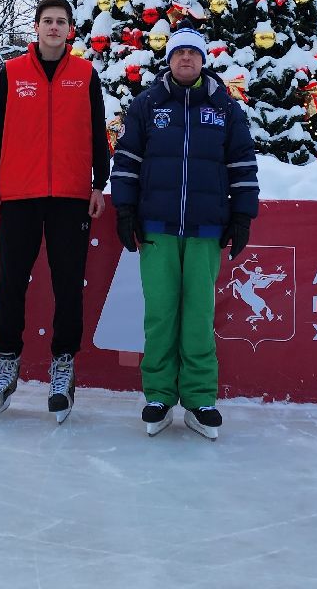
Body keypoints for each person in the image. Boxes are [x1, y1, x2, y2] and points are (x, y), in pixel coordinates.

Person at [111, 26, 259, 440]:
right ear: (170, 61)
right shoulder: (146, 106)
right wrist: (124, 210)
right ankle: (158, 395)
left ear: (203, 60)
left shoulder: (225, 108)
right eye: (179, 54)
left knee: (197, 316)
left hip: (206, 229)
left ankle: (199, 398)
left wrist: (242, 216)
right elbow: (126, 161)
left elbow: (243, 164)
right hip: (156, 229)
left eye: (193, 54)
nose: (186, 60)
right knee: (160, 315)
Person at [0, 0, 110, 422]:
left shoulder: (86, 74)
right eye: (47, 21)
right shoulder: (13, 72)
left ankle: (63, 366)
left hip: (71, 197)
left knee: (68, 285)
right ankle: (6, 362)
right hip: (19, 195)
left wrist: (98, 183)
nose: (54, 28)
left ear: (70, 30)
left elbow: (96, 134)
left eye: (61, 22)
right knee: (13, 282)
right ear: (36, 28)